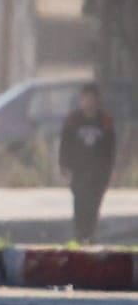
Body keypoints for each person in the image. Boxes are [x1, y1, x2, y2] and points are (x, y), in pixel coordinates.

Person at [58, 83, 117, 243]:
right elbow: (65, 142)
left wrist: (110, 169)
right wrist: (63, 164)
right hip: (78, 169)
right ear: (81, 100)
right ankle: (79, 233)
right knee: (79, 201)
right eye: (86, 98)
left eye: (92, 98)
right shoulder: (73, 120)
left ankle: (90, 234)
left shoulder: (105, 120)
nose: (89, 102)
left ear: (97, 100)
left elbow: (110, 146)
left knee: (94, 202)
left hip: (99, 171)